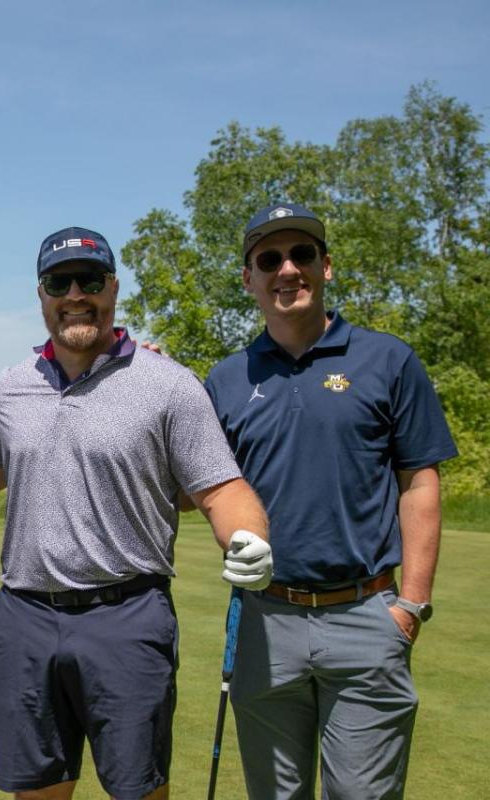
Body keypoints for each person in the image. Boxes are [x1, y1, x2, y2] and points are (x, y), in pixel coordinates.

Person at [0, 227, 274, 800]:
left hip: (127, 616)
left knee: (138, 791)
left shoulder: (169, 385)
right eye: (61, 281)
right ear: (42, 294)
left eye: (90, 280)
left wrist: (248, 537)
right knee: (36, 790)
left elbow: (220, 489)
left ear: (112, 287)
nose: (76, 294)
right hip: (26, 619)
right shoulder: (9, 388)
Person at [204, 203, 458, 799]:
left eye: (303, 255)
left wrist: (411, 607)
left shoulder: (387, 360)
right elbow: (202, 491)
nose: (287, 269)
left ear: (326, 267)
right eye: (270, 259)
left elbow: (419, 482)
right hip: (264, 622)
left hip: (366, 615)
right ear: (249, 279)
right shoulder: (226, 379)